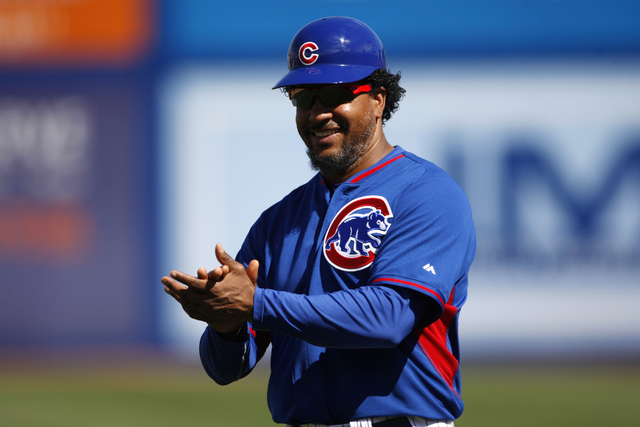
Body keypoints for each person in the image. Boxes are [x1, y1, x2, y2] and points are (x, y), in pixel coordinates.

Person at [161, 16, 476, 427]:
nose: (318, 113)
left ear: (379, 98)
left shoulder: (426, 193)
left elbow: (389, 318)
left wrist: (255, 304)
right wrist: (226, 326)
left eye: (335, 94)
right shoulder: (278, 221)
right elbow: (226, 369)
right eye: (303, 97)